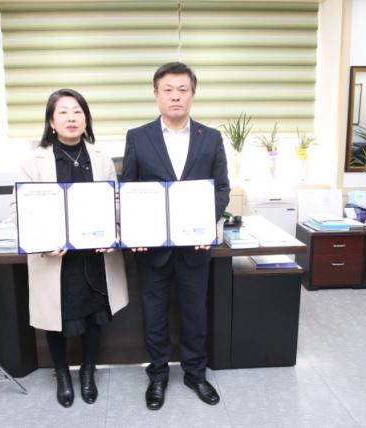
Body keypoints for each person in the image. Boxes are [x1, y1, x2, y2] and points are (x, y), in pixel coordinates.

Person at [121, 62, 230, 410]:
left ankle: (195, 374)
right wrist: (134, 230)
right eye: (168, 90)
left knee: (195, 314)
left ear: (193, 94)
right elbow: (128, 188)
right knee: (154, 315)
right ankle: (157, 377)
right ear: (156, 94)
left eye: (183, 90)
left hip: (194, 247)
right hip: (152, 248)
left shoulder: (210, 137)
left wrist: (206, 223)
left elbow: (222, 188)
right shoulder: (138, 137)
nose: (175, 96)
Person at [13, 89, 128, 408]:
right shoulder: (33, 160)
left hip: (94, 256)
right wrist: (43, 243)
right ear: (51, 121)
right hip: (56, 258)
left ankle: (88, 371)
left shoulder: (101, 158)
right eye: (63, 112)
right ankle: (62, 374)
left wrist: (114, 232)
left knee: (94, 316)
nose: (71, 118)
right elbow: (19, 207)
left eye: (77, 111)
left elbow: (115, 201)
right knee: (56, 318)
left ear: (86, 119)